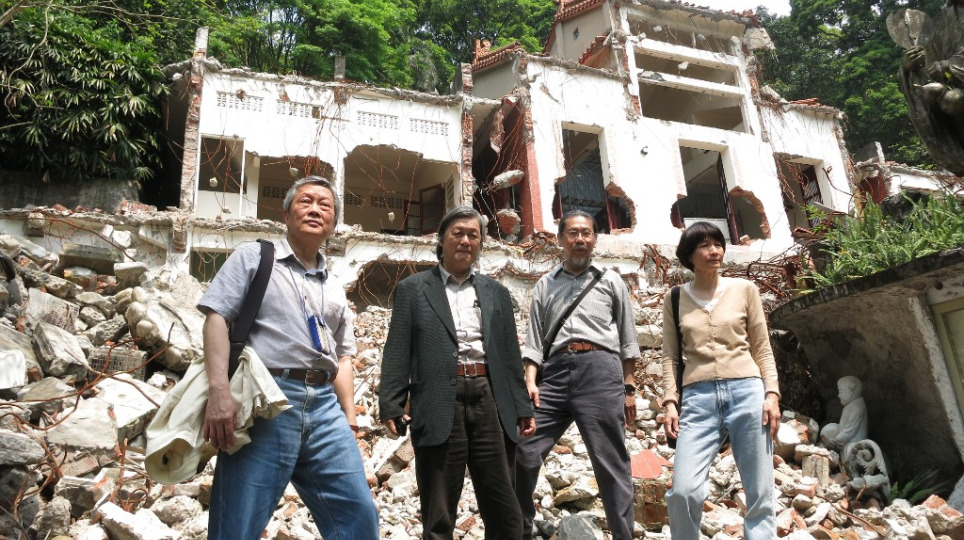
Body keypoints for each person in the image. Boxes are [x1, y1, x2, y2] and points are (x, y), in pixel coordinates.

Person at [199, 176, 379, 540]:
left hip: (325, 406)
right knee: (238, 519)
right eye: (305, 201)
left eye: (324, 205)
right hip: (267, 399)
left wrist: (349, 418)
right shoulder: (255, 257)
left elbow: (343, 356)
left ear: (334, 223)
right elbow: (216, 318)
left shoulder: (334, 285)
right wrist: (219, 391)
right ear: (286, 214)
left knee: (358, 512)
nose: (314, 210)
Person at [379, 206, 535, 540]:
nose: (465, 241)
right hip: (437, 401)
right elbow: (397, 349)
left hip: (489, 398)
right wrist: (391, 402)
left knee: (505, 507)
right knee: (438, 512)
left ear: (480, 244)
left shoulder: (496, 292)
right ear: (442, 240)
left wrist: (522, 406)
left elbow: (509, 354)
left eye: (473, 235)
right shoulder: (413, 289)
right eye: (458, 233)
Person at [515, 210, 640, 540]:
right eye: (573, 233)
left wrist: (629, 387)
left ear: (595, 239)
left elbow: (628, 341)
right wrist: (531, 380)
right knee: (524, 450)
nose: (580, 239)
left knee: (610, 462)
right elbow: (534, 342)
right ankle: (520, 529)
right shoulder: (546, 284)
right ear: (560, 239)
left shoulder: (611, 280)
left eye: (586, 233)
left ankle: (623, 535)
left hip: (600, 371)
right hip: (554, 375)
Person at [661, 221, 780, 540]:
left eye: (718, 243)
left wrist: (772, 394)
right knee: (683, 490)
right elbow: (670, 356)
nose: (714, 251)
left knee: (759, 490)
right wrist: (670, 402)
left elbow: (762, 348)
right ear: (689, 256)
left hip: (748, 392)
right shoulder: (674, 298)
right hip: (698, 400)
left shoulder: (745, 290)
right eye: (704, 245)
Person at [820, 375, 868, 454]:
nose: (838, 395)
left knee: (848, 452)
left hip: (854, 443)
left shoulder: (857, 407)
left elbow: (849, 431)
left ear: (851, 392)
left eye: (841, 392)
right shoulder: (851, 405)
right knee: (829, 429)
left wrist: (834, 440)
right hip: (844, 439)